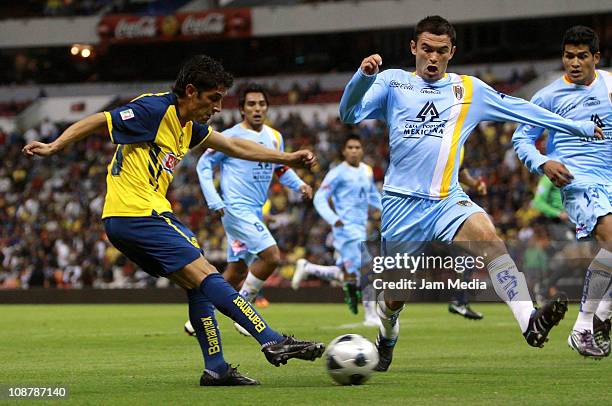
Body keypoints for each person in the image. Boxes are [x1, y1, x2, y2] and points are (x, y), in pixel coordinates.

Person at [22, 55, 324, 386]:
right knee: (207, 274)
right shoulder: (154, 110)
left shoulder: (188, 127)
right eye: (213, 99)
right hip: (136, 213)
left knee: (197, 285)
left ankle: (217, 369)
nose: (219, 108)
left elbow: (235, 146)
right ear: (191, 92)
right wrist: (54, 146)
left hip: (141, 216)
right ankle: (271, 339)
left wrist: (288, 157)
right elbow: (99, 120)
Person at [339, 16, 603, 372]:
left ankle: (529, 321)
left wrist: (578, 127)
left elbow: (523, 109)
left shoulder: (469, 89)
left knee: (489, 237)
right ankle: (386, 337)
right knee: (396, 296)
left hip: (448, 199)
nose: (433, 58)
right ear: (414, 48)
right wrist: (362, 77)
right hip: (401, 205)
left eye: (441, 51)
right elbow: (348, 113)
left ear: (452, 52)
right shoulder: (393, 82)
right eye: (427, 49)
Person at [513, 26, 611, 359]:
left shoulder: (610, 86)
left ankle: (602, 315)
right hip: (577, 181)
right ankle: (584, 327)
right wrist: (542, 163)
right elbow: (521, 139)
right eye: (569, 56)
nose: (574, 62)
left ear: (595, 58)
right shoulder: (548, 97)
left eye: (582, 56)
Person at [196, 83, 312, 336]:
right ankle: (244, 311)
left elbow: (280, 168)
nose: (257, 109)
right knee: (271, 257)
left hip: (255, 211)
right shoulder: (229, 137)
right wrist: (214, 199)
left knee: (237, 270)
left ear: (267, 108)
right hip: (235, 208)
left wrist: (300, 184)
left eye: (261, 104)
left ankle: (200, 315)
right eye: (251, 104)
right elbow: (203, 166)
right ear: (241, 109)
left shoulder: (274, 137)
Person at [291, 134, 382, 326]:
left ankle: (308, 268)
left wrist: (387, 210)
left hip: (360, 227)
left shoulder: (367, 171)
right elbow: (320, 198)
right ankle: (371, 315)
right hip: (346, 229)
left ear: (362, 150)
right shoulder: (337, 172)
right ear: (344, 151)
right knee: (367, 269)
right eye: (350, 147)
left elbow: (372, 195)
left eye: (357, 147)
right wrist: (334, 219)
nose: (354, 151)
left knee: (347, 274)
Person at [448, 162, 487, 320]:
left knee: (467, 259)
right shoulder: (450, 143)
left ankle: (460, 301)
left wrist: (475, 184)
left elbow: (461, 173)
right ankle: (459, 301)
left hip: (449, 211)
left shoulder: (457, 146)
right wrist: (475, 184)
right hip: (441, 211)